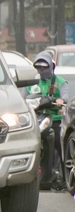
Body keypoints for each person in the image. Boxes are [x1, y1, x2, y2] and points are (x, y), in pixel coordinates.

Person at [26, 52, 70, 188]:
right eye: (38, 67)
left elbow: (66, 96)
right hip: (35, 121)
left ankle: (66, 177)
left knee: (63, 149)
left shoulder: (61, 82)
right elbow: (22, 96)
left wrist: (61, 100)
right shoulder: (31, 82)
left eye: (44, 67)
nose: (41, 70)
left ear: (51, 67)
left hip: (54, 121)